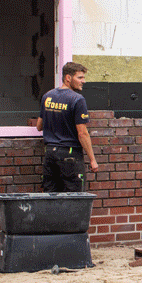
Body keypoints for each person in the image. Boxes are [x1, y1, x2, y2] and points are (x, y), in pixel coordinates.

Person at [36, 62, 99, 192]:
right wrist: (92, 160)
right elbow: (82, 133)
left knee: (50, 195)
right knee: (75, 197)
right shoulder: (77, 99)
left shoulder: (47, 96)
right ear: (68, 78)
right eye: (80, 77)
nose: (83, 81)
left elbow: (39, 126)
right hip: (70, 154)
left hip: (50, 154)